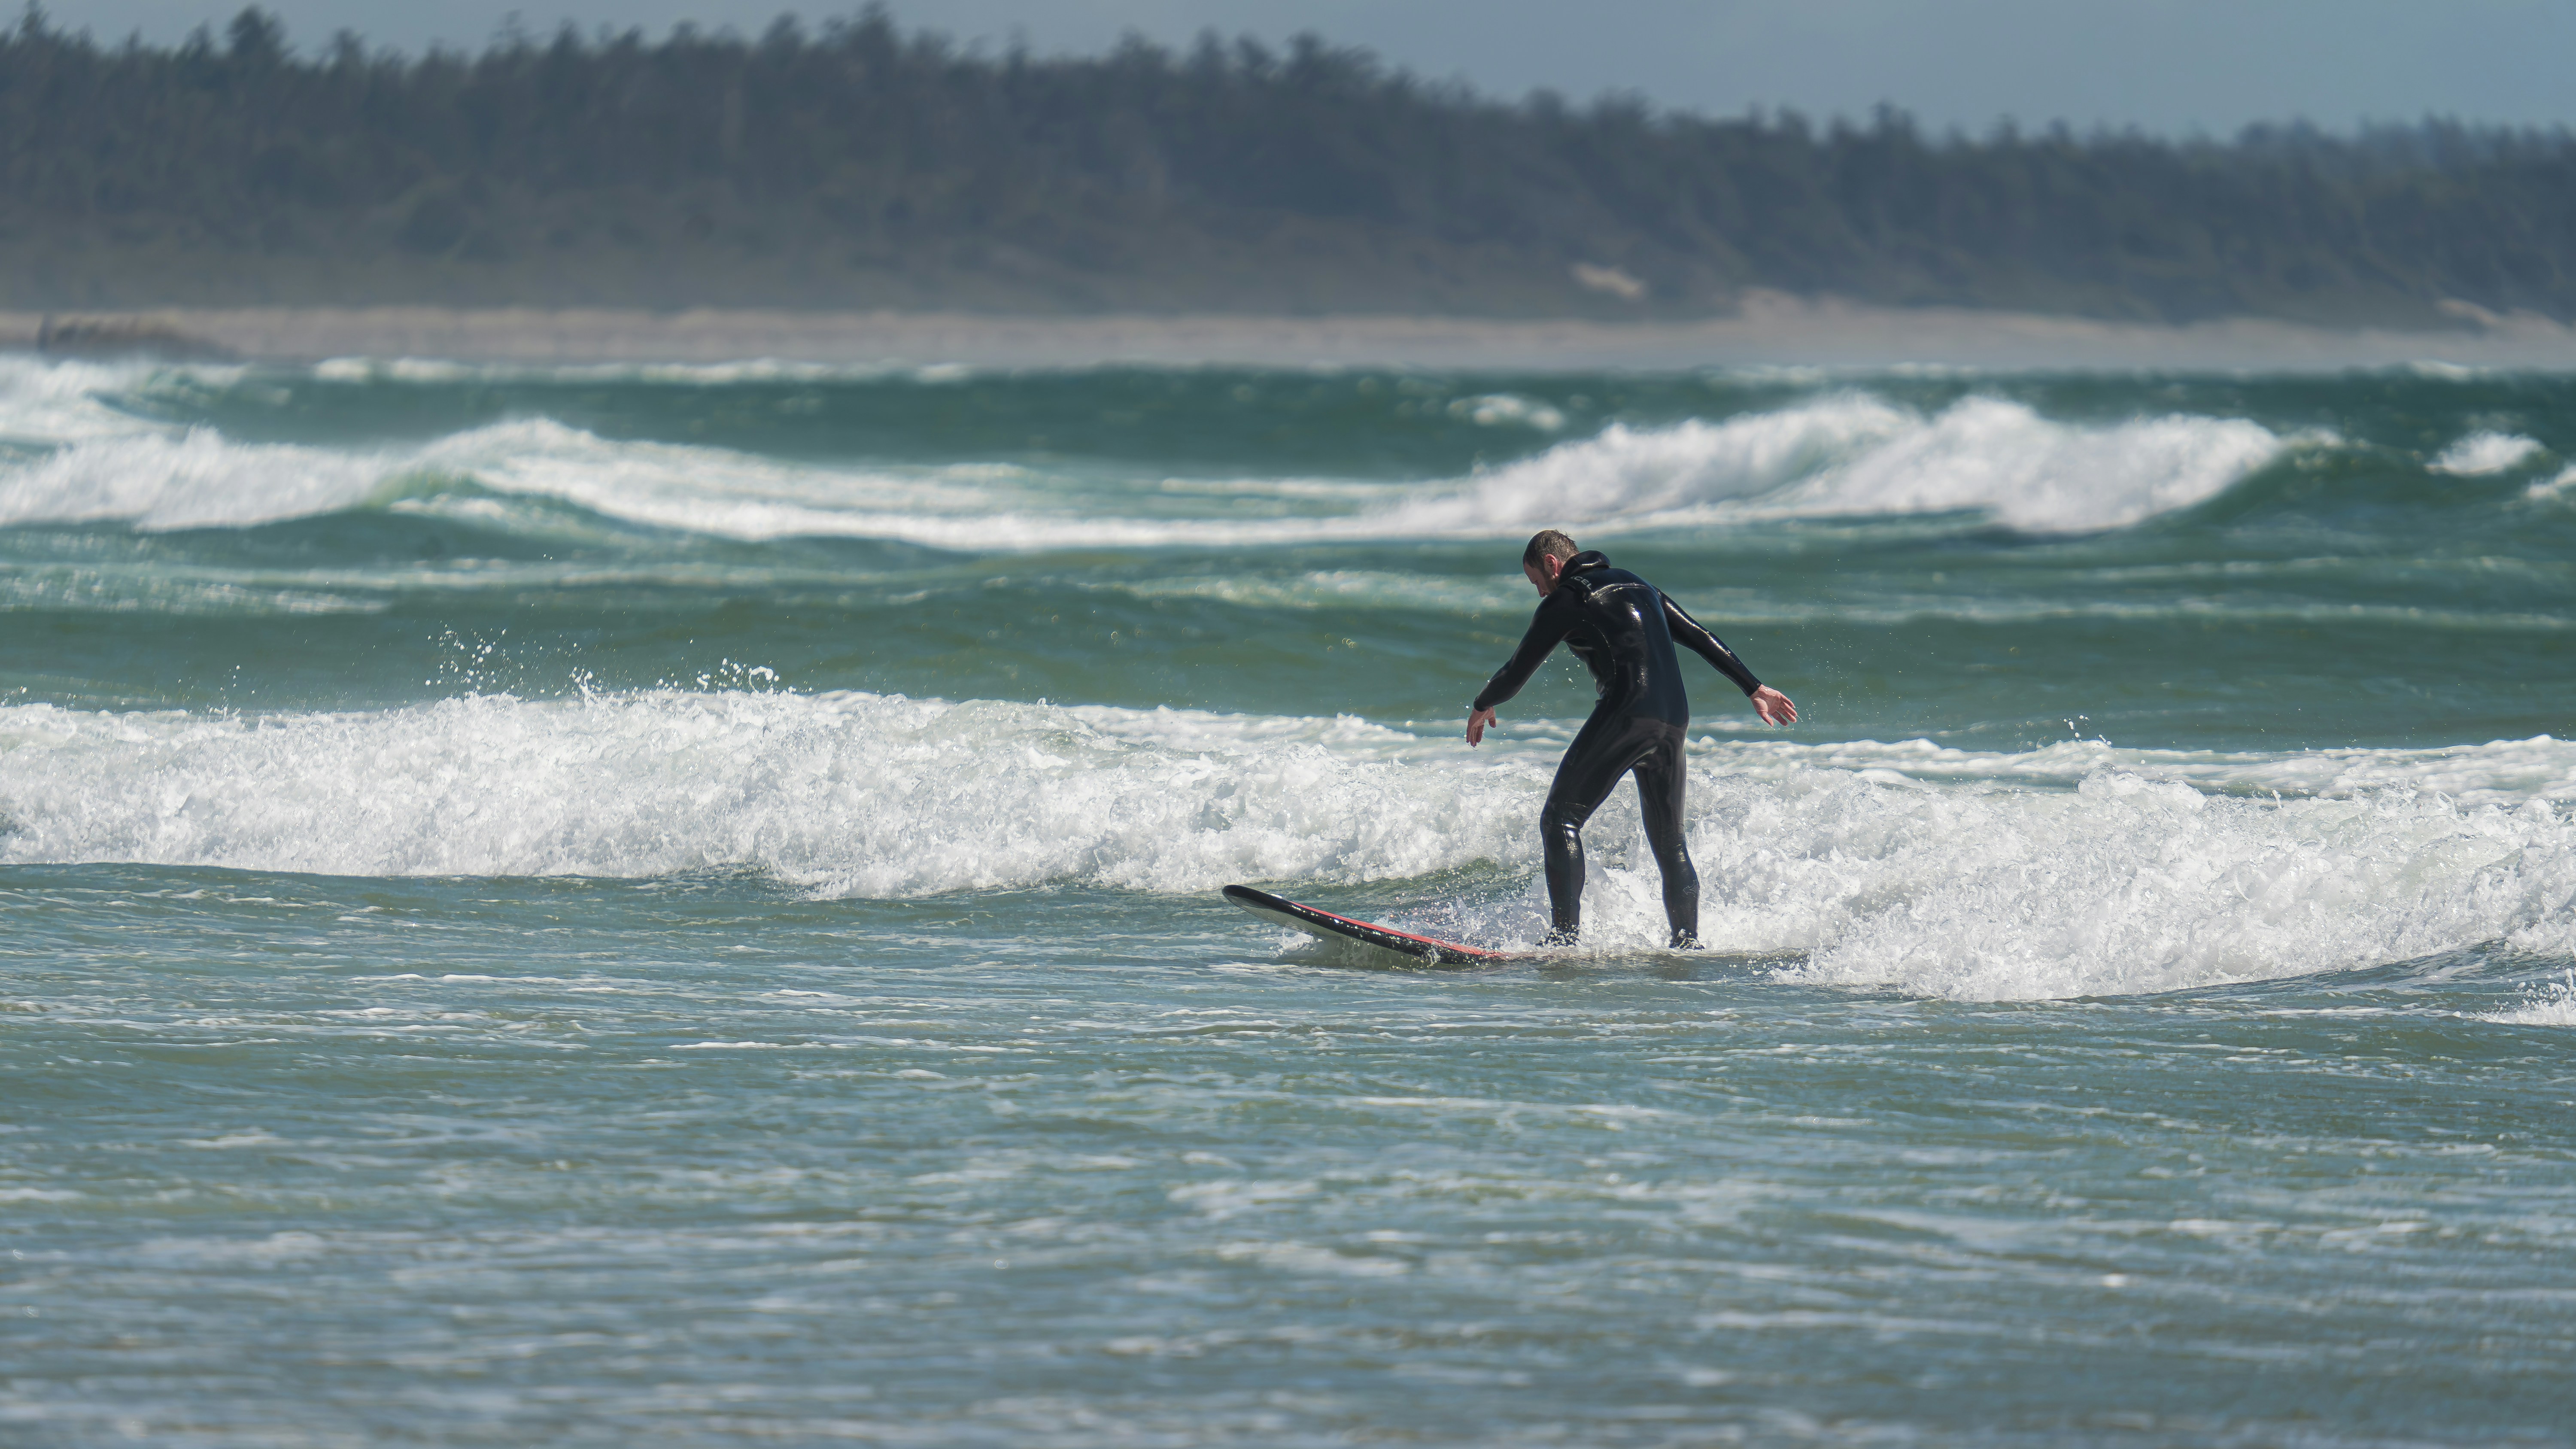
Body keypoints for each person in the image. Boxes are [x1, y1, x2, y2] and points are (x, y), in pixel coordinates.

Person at [1466, 530, 1796, 948]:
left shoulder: (1569, 599)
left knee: (1559, 820)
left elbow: (1516, 672)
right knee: (1670, 841)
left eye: (1536, 581)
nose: (1539, 592)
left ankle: (1564, 942)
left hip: (1629, 711)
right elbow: (1698, 635)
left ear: (1552, 564)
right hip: (1674, 717)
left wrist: (1482, 704)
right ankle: (1687, 943)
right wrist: (1754, 687)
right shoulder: (1639, 584)